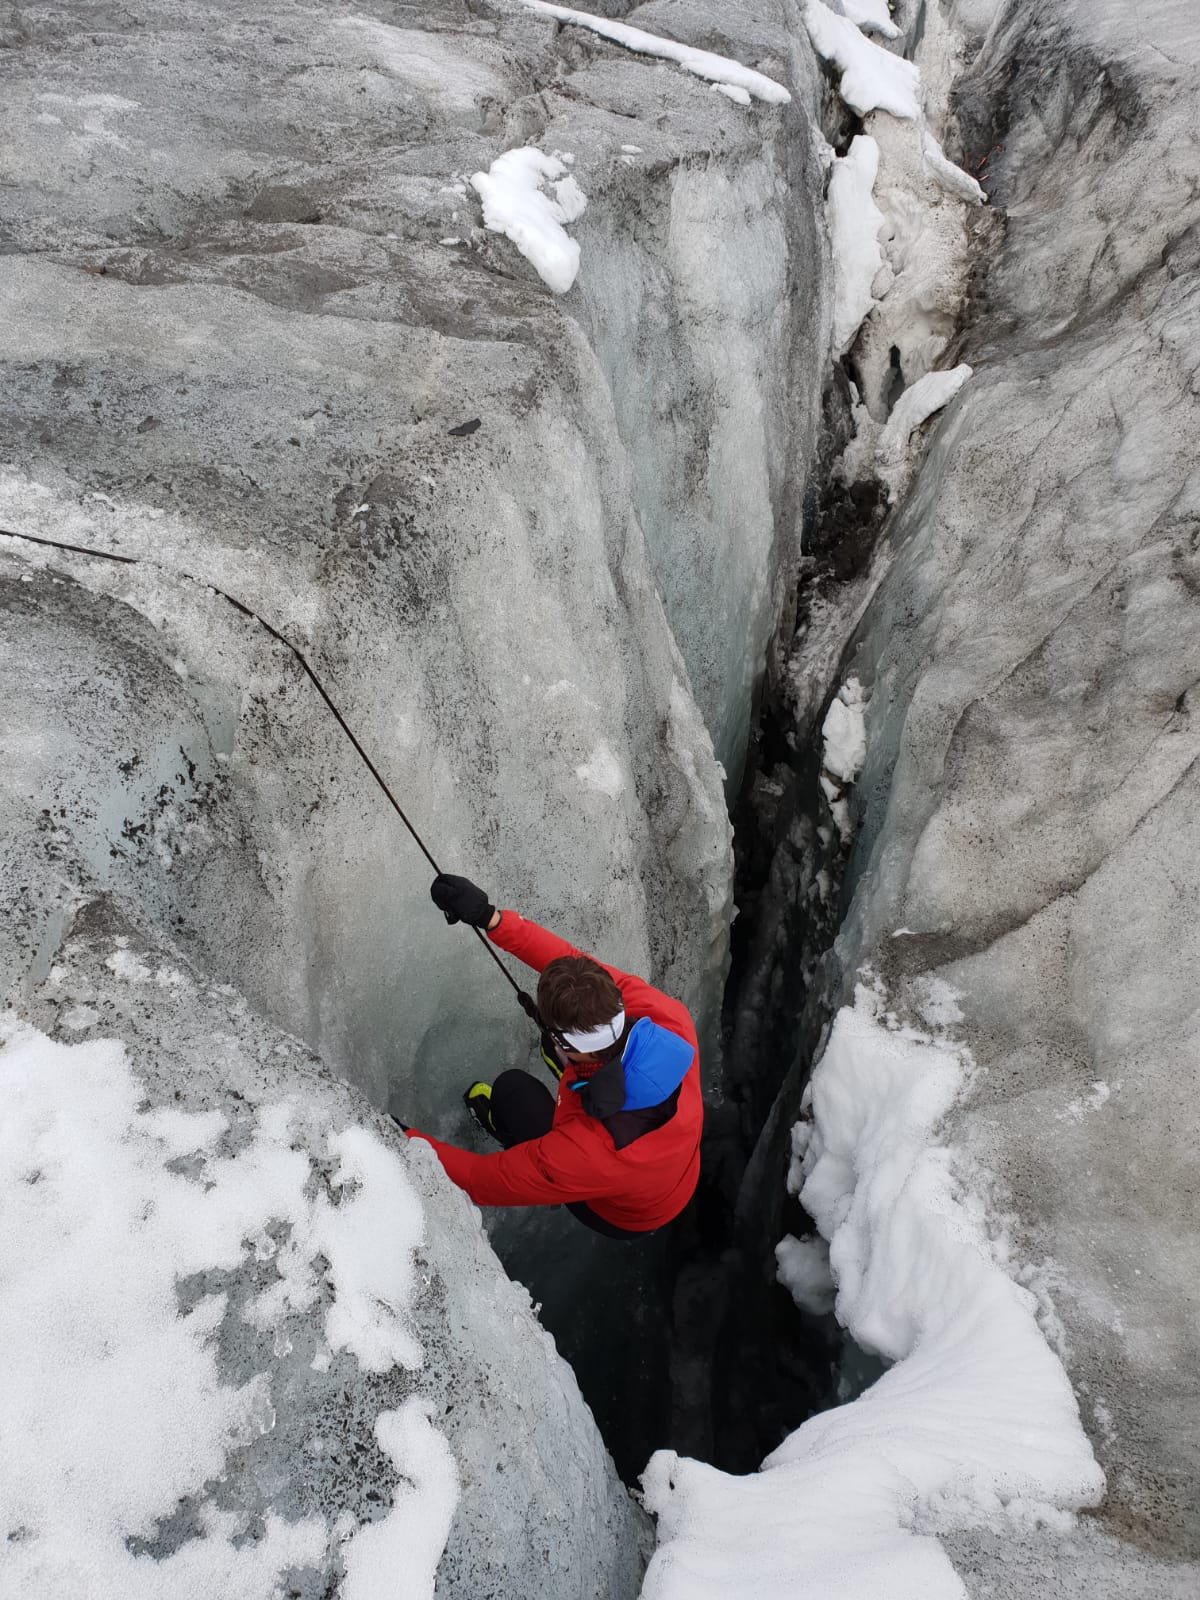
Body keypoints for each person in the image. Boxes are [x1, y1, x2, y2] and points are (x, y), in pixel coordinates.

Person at [401, 873, 703, 1240]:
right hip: (675, 1170)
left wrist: (402, 1140)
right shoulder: (667, 1018)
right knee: (550, 1059)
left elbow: (481, 1180)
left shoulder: (586, 1152)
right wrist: (490, 918)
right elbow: (572, 962)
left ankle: (512, 1131)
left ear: (572, 1047)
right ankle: (573, 1078)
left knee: (513, 1092)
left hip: (624, 1214)